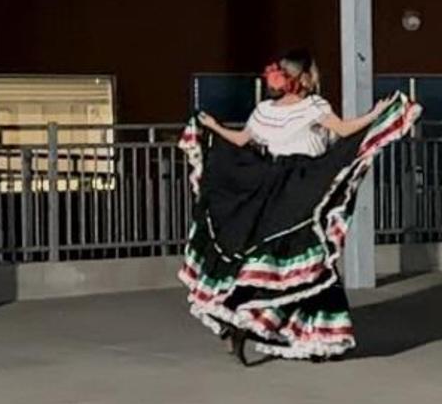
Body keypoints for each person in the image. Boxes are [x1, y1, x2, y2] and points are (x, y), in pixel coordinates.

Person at [180, 50, 421, 364]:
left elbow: (240, 141)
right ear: (305, 77)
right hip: (303, 185)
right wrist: (376, 114)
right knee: (313, 261)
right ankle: (315, 336)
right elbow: (346, 131)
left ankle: (245, 322)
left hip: (267, 189)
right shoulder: (314, 106)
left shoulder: (263, 110)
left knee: (273, 261)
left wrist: (213, 126)